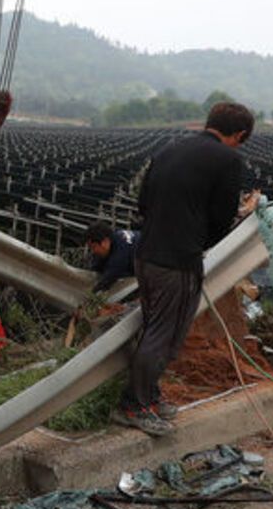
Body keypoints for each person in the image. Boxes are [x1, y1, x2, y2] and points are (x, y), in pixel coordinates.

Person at [119, 102, 261, 436]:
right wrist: (197, 242)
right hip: (177, 261)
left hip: (146, 253)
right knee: (164, 334)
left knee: (154, 326)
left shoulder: (170, 149)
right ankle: (134, 406)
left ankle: (149, 398)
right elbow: (221, 218)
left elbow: (142, 203)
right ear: (239, 135)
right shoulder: (228, 160)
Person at [85, 221, 140, 293]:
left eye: (94, 247)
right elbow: (96, 267)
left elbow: (108, 278)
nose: (93, 251)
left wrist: (90, 294)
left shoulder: (120, 252)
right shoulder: (113, 238)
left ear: (105, 241)